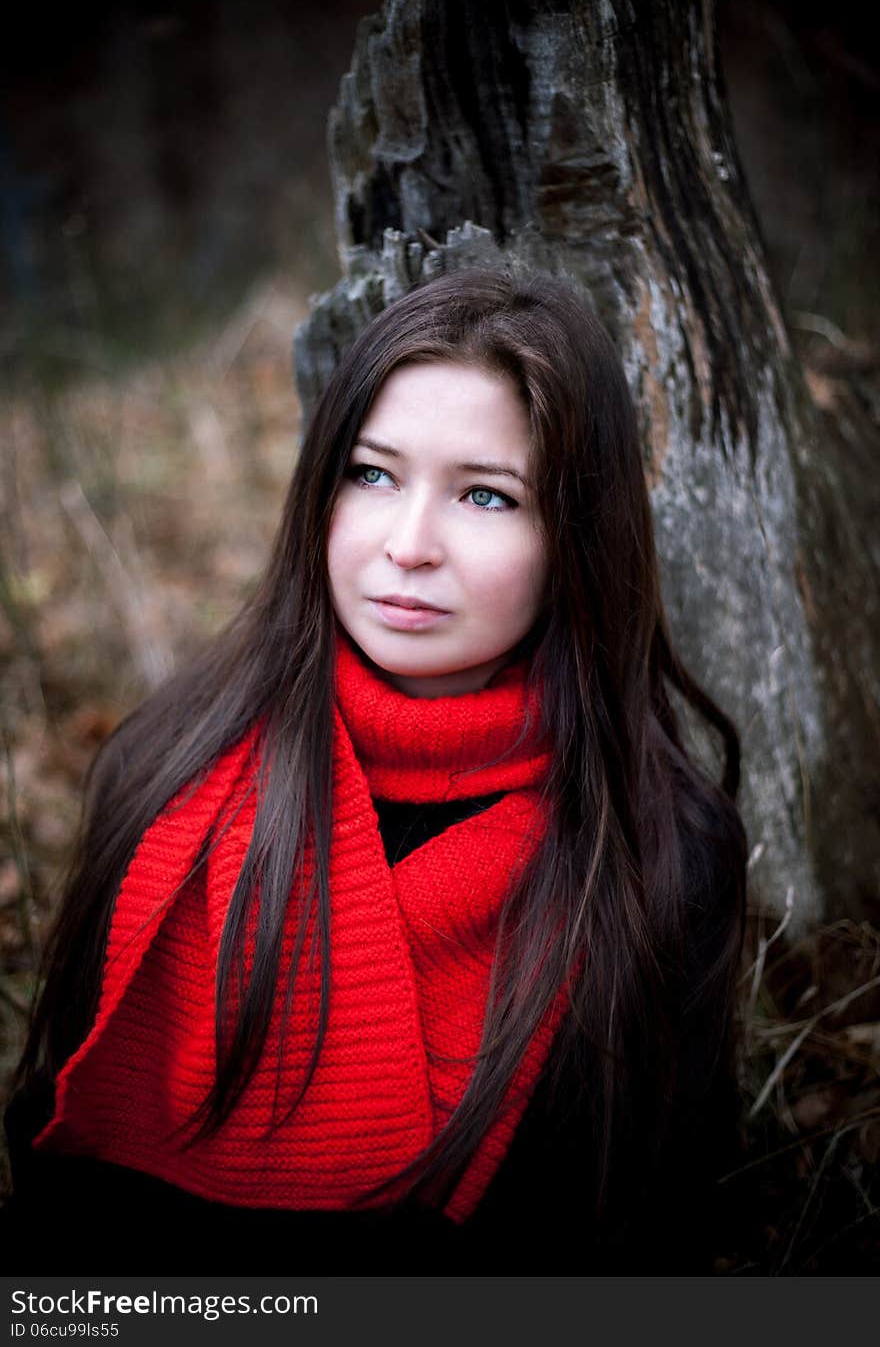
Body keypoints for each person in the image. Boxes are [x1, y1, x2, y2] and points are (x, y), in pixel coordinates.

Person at [2, 267, 747, 1273]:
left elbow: (656, 1236)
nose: (406, 545)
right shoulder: (168, 767)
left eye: (486, 494)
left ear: (572, 535)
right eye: (372, 474)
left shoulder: (659, 850)